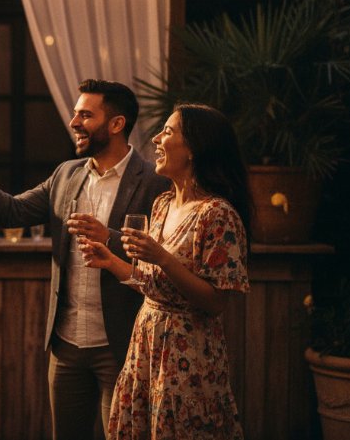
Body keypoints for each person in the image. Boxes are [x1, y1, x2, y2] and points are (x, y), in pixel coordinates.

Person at [0, 79, 171, 440]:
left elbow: (162, 253)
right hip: (66, 344)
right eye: (75, 114)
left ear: (117, 124)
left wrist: (110, 237)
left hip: (123, 344)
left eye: (86, 115)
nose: (74, 123)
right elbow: (11, 212)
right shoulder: (66, 174)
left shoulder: (154, 181)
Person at [79, 103, 250, 439]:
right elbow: (152, 284)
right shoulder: (162, 204)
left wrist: (163, 258)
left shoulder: (217, 214)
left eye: (167, 132)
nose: (155, 139)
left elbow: (216, 302)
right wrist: (109, 261)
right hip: (146, 345)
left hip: (189, 356)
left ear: (194, 149)